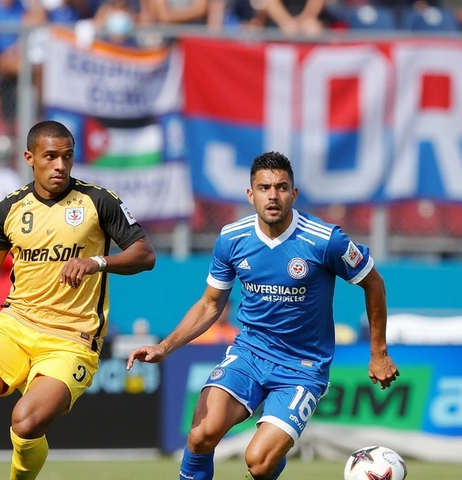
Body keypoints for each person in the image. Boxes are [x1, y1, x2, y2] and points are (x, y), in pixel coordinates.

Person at [127, 151, 399, 480]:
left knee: (258, 462)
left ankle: (270, 461)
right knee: (200, 435)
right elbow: (210, 304)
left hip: (302, 368)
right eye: (264, 187)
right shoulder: (232, 238)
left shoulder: (325, 240)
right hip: (249, 355)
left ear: (294, 194)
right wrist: (165, 347)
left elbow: (373, 283)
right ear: (250, 194)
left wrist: (379, 353)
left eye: (282, 187)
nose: (273, 195)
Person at [0, 120, 156, 480]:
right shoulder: (9, 209)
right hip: (14, 325)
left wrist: (97, 262)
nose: (60, 165)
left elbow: (145, 255)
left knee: (25, 422)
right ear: (29, 158)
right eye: (50, 157)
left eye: (67, 157)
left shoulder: (98, 201)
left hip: (72, 340)